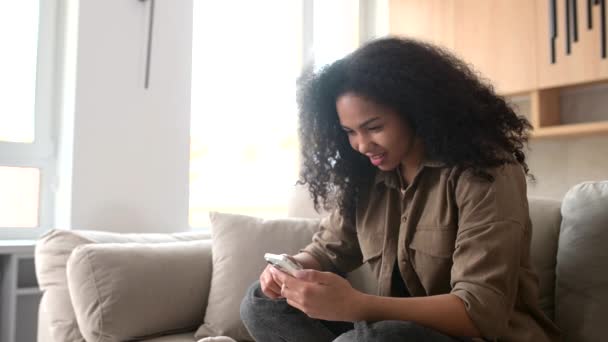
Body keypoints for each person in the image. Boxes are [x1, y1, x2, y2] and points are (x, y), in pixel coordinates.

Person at [240, 37, 561, 342]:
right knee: (260, 301)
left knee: (376, 338)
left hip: (475, 335)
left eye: (374, 127)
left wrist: (357, 305)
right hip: (392, 332)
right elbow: (328, 250)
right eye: (350, 132)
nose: (362, 145)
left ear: (417, 111)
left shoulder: (486, 171)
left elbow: (480, 312)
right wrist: (291, 270)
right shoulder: (364, 176)